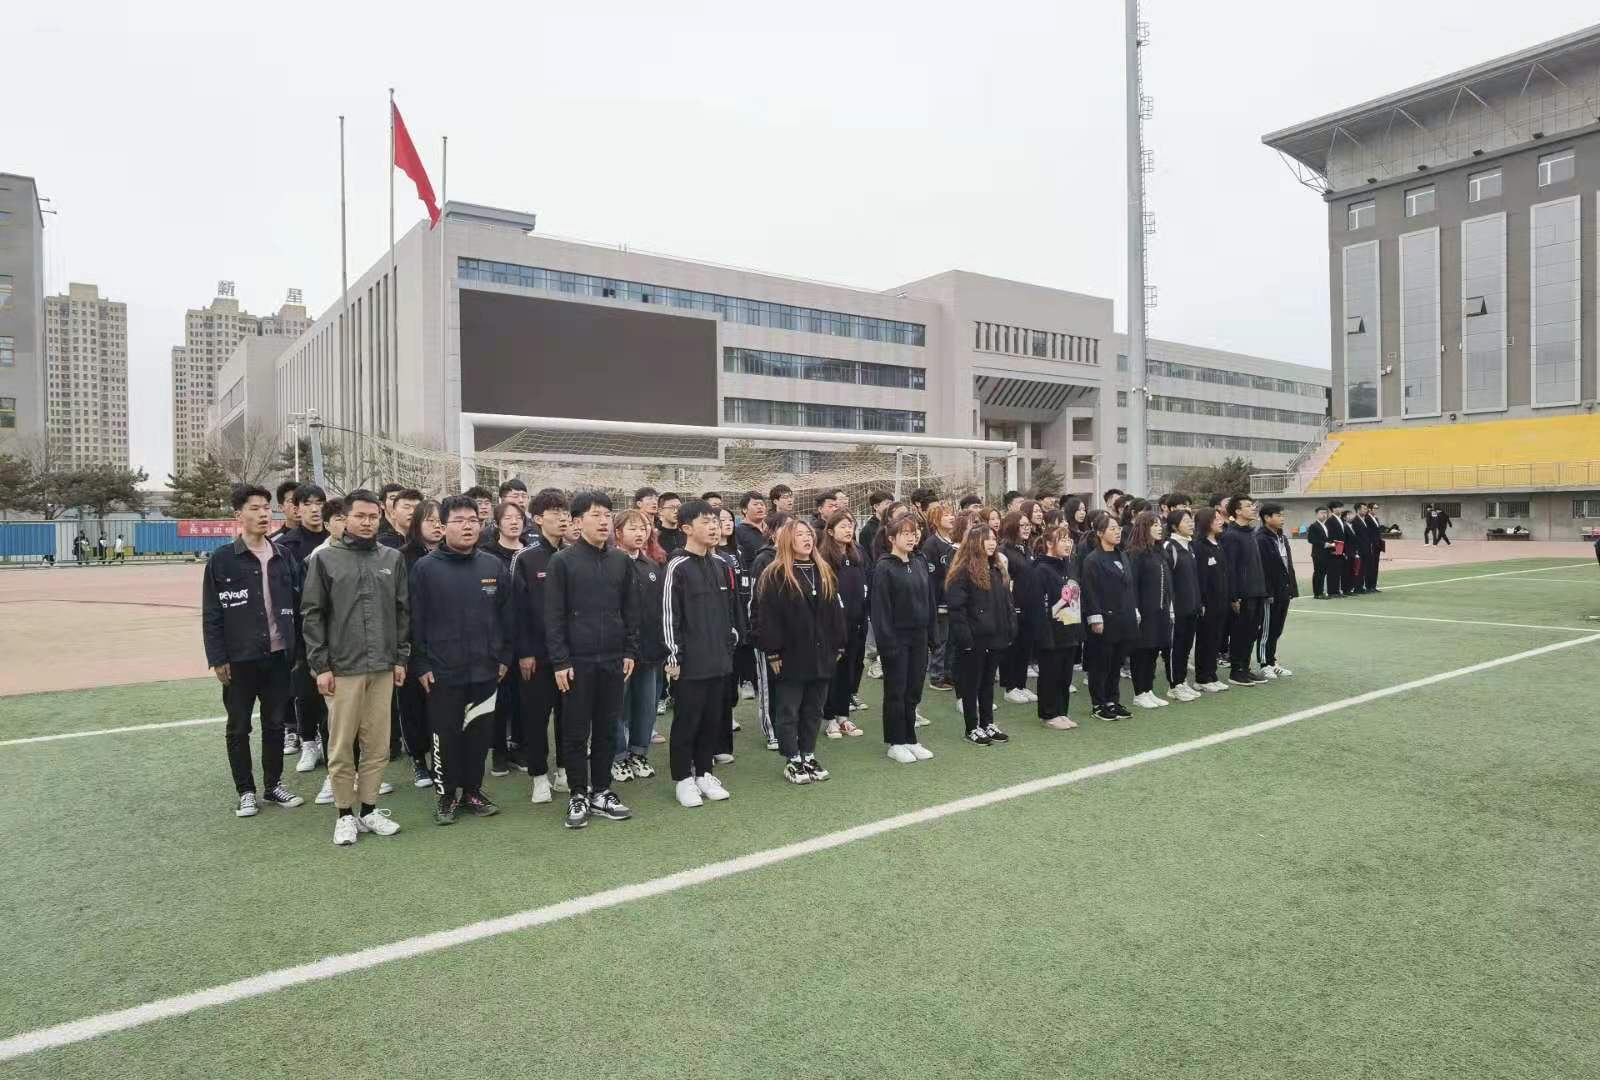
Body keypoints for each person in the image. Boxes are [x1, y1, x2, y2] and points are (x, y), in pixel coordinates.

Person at [299, 488, 409, 846]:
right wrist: (320, 665)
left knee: (377, 744)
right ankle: (344, 814)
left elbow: (402, 611)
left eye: (373, 516)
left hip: (383, 666)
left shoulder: (392, 558)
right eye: (359, 516)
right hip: (343, 668)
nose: (367, 522)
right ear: (345, 518)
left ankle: (370, 809)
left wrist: (400, 658)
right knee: (341, 745)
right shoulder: (324, 559)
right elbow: (312, 614)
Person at [201, 484, 305, 818]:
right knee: (238, 727)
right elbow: (212, 613)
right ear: (238, 515)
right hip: (240, 659)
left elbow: (298, 605)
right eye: (255, 508)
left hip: (278, 657)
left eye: (266, 508)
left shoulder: (283, 555)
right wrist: (218, 658)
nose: (263, 514)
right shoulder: (222, 560)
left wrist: (296, 650)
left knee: (275, 724)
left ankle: (273, 785)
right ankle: (245, 791)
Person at [411, 495, 512, 825]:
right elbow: (415, 621)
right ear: (443, 527)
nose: (468, 526)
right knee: (445, 736)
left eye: (473, 520)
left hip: (485, 669)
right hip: (442, 671)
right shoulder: (425, 569)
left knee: (479, 736)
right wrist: (421, 664)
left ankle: (473, 791)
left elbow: (507, 616)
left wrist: (503, 657)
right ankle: (446, 796)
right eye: (459, 520)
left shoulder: (492, 566)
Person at [545, 490, 638, 829]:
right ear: (577, 521)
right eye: (595, 515)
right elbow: (553, 616)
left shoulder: (621, 561)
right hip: (576, 662)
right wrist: (560, 661)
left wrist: (629, 651)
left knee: (607, 729)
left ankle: (601, 791)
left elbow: (630, 611)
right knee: (575, 731)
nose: (603, 521)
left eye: (607, 515)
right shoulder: (562, 562)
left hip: (613, 659)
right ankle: (578, 794)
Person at [662, 499, 741, 807]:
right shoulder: (677, 566)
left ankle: (704, 773)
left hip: (719, 659)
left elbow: (729, 611)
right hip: (689, 663)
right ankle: (683, 779)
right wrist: (674, 657)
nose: (714, 527)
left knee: (712, 720)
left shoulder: (721, 565)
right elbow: (669, 616)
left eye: (715, 521)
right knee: (687, 721)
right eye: (706, 522)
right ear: (686, 528)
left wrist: (730, 639)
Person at [755, 520, 846, 785]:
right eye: (799, 535)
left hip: (822, 654)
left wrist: (839, 644)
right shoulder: (775, 574)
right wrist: (773, 652)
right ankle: (792, 758)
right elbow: (767, 616)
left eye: (809, 534)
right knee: (789, 709)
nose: (807, 539)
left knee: (814, 709)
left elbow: (836, 612)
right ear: (787, 540)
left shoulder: (824, 570)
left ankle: (808, 754)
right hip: (791, 654)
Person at [513, 490, 571, 805]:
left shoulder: (574, 554)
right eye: (554, 512)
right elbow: (518, 610)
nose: (562, 518)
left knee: (569, 715)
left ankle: (564, 770)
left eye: (565, 512)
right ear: (537, 519)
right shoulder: (526, 558)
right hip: (536, 655)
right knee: (536, 717)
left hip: (570, 655)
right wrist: (524, 651)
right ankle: (538, 776)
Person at [871, 512, 937, 764]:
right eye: (905, 534)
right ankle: (896, 742)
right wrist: (887, 645)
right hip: (896, 639)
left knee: (913, 690)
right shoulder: (884, 567)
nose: (911, 538)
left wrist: (932, 635)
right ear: (891, 538)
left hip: (919, 637)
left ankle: (910, 738)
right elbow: (880, 610)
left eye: (914, 533)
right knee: (896, 691)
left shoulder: (919, 562)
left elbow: (929, 600)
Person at [945, 523, 1015, 744]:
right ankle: (971, 727)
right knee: (971, 684)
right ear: (976, 542)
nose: (992, 543)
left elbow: (1006, 602)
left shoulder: (996, 569)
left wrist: (1010, 626)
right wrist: (965, 638)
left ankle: (987, 723)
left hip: (995, 636)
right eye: (987, 539)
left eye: (994, 538)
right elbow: (957, 609)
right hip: (974, 639)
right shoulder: (963, 571)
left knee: (987, 682)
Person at [613, 509, 665, 784]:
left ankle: (638, 753)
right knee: (617, 707)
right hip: (620, 652)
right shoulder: (610, 564)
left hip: (649, 650)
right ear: (618, 532)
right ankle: (618, 756)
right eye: (632, 528)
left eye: (643, 528)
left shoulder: (652, 567)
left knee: (646, 706)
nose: (640, 533)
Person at [395, 499, 444, 788]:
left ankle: (442, 760)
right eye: (430, 520)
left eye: (441, 520)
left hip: (445, 643)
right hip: (412, 641)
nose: (437, 526)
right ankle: (418, 760)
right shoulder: (402, 557)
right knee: (413, 705)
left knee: (441, 705)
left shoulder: (453, 553)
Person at [482, 500, 526, 776]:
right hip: (497, 638)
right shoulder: (487, 555)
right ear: (497, 523)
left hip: (527, 637)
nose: (513, 522)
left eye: (518, 517)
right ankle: (498, 751)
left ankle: (519, 748)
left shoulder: (530, 552)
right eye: (507, 517)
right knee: (499, 699)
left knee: (524, 698)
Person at [1080, 511, 1136, 721]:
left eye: (1118, 528)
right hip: (1104, 618)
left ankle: (1113, 700)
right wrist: (1095, 617)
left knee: (1116, 663)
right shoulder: (1093, 559)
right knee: (1100, 663)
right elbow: (1090, 591)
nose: (1117, 532)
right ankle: (1099, 703)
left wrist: (1133, 610)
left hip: (1123, 617)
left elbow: (1128, 586)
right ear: (1100, 533)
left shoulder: (1122, 554)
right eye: (1112, 529)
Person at [1027, 525, 1084, 729]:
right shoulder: (1041, 569)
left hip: (1069, 629)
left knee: (1065, 676)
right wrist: (1044, 635)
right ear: (1050, 543)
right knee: (1050, 674)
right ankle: (1049, 714)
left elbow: (1075, 598)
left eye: (1069, 540)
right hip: (1051, 632)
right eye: (1062, 540)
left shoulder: (1069, 565)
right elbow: (1038, 606)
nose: (1068, 544)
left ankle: (1062, 711)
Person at [819, 510, 869, 738]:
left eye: (851, 526)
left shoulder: (857, 554)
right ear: (830, 531)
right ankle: (829, 718)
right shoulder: (824, 557)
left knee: (850, 670)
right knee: (834, 672)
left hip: (856, 624)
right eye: (843, 526)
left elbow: (863, 587)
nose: (849, 530)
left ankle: (843, 716)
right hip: (834, 627)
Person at [1125, 511, 1173, 709]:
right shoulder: (1135, 554)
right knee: (1141, 652)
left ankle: (1148, 689)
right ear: (1144, 528)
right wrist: (1135, 609)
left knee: (1154, 649)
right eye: (1154, 525)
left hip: (1161, 610)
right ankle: (1139, 692)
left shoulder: (1160, 552)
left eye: (1160, 524)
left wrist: (1169, 605)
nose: (1159, 528)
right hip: (1144, 612)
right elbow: (1132, 584)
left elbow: (1167, 583)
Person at [1220, 496, 1269, 687]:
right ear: (1237, 511)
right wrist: (1234, 596)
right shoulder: (1231, 535)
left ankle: (1245, 668)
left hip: (1257, 591)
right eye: (1248, 506)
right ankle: (1236, 671)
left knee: (1251, 632)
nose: (1253, 509)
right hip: (1243, 594)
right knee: (1240, 633)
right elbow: (1229, 569)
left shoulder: (1250, 533)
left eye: (1253, 505)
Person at [996, 511, 1037, 705]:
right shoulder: (1004, 550)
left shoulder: (1026, 549)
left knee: (1025, 646)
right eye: (1022, 525)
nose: (1027, 528)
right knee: (1012, 646)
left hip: (1029, 605)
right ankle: (1010, 686)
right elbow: (1003, 580)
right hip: (1012, 606)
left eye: (1028, 525)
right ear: (1012, 526)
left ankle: (1021, 684)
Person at [1255, 502, 1298, 680]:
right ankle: (1264, 664)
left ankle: (1272, 662)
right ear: (1267, 518)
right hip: (1270, 593)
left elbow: (1288, 565)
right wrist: (1267, 592)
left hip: (1283, 590)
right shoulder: (1260, 539)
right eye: (1278, 515)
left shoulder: (1282, 538)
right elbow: (1262, 569)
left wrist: (1292, 587)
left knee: (1277, 629)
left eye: (1282, 515)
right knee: (1266, 630)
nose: (1282, 518)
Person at [1190, 507, 1231, 694]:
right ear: (1206, 522)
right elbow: (1199, 578)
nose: (1220, 521)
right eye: (1216, 519)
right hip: (1207, 604)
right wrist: (1202, 602)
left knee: (1215, 639)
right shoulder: (1199, 546)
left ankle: (1212, 675)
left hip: (1221, 601)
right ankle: (1202, 678)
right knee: (1205, 640)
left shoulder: (1218, 544)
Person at [1162, 509, 1201, 701]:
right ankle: (1174, 685)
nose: (1191, 524)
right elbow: (1166, 580)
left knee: (1185, 647)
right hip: (1176, 609)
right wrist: (1170, 607)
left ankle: (1182, 681)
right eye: (1186, 521)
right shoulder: (1169, 547)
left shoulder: (1189, 546)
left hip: (1191, 607)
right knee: (1175, 648)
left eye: (1191, 520)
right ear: (1174, 526)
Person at [920, 502, 957, 692]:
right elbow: (931, 577)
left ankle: (949, 673)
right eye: (946, 515)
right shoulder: (931, 544)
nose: (951, 518)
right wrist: (936, 602)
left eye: (952, 514)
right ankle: (936, 676)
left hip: (954, 600)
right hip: (940, 601)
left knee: (952, 640)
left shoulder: (954, 541)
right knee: (940, 640)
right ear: (935, 520)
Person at [1306, 505, 1337, 600]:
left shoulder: (1326, 526)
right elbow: (1311, 539)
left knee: (1323, 573)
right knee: (1318, 573)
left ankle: (1322, 592)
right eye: (1322, 513)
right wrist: (1325, 544)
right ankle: (1317, 593)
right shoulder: (1313, 526)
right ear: (1317, 514)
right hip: (1318, 553)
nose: (1324, 515)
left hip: (1327, 553)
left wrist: (1332, 546)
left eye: (1325, 513)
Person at [1359, 502, 1384, 593]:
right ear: (1369, 509)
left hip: (1377, 545)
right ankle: (1369, 586)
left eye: (1377, 508)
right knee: (1370, 566)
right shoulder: (1367, 518)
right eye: (1375, 508)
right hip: (1371, 545)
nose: (1376, 510)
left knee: (1375, 566)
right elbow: (1368, 533)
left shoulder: (1375, 518)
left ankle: (1373, 585)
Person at [857, 491, 892, 558]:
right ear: (876, 507)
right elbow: (867, 558)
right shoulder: (867, 531)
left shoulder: (894, 525)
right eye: (887, 503)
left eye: (891, 503)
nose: (890, 506)